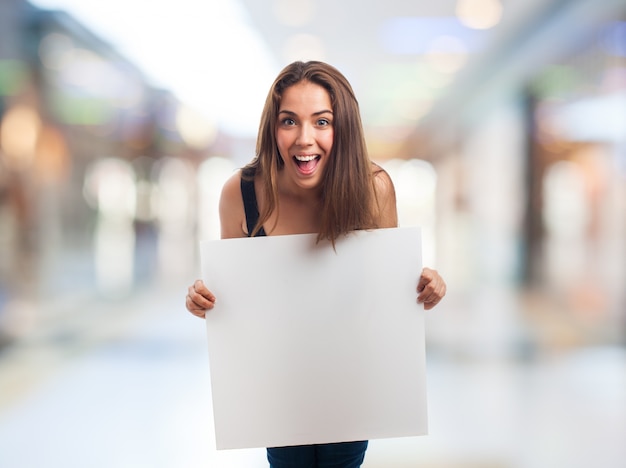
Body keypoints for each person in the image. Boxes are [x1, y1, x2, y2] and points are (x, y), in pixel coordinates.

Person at [185, 61, 446, 468]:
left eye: (321, 122)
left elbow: (384, 298)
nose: (305, 139)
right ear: (273, 128)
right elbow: (235, 303)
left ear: (342, 129)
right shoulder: (240, 193)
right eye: (289, 121)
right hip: (278, 382)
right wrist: (204, 299)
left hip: (348, 381)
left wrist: (425, 287)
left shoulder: (372, 189)